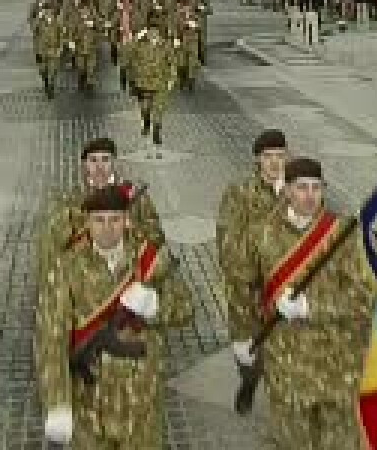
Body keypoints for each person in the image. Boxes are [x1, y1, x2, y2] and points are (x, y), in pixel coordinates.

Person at [232, 157, 376, 450]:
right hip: (287, 370)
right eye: (301, 188)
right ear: (286, 191)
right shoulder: (262, 234)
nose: (310, 195)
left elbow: (367, 296)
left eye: (316, 188)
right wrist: (242, 333)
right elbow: (243, 286)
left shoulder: (344, 233)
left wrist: (313, 306)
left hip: (339, 367)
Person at [34, 185, 189, 448]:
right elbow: (50, 336)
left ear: (127, 221)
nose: (107, 227)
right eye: (99, 220)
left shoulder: (148, 260)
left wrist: (156, 307)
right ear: (88, 223)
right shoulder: (66, 267)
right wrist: (57, 403)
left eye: (115, 219)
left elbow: (185, 309)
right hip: (90, 403)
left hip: (142, 401)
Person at [37, 137, 165, 278]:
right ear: (85, 164)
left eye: (105, 159)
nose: (99, 166)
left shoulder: (135, 196)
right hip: (84, 275)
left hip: (128, 272)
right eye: (93, 160)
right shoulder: (70, 200)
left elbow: (156, 235)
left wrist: (131, 231)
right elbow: (54, 243)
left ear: (114, 162)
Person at [217, 129, 288, 347]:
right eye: (268, 156)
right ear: (258, 159)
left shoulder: (297, 192)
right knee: (250, 363)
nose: (275, 163)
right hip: (248, 296)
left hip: (286, 292)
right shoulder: (239, 193)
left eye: (280, 156)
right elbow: (228, 246)